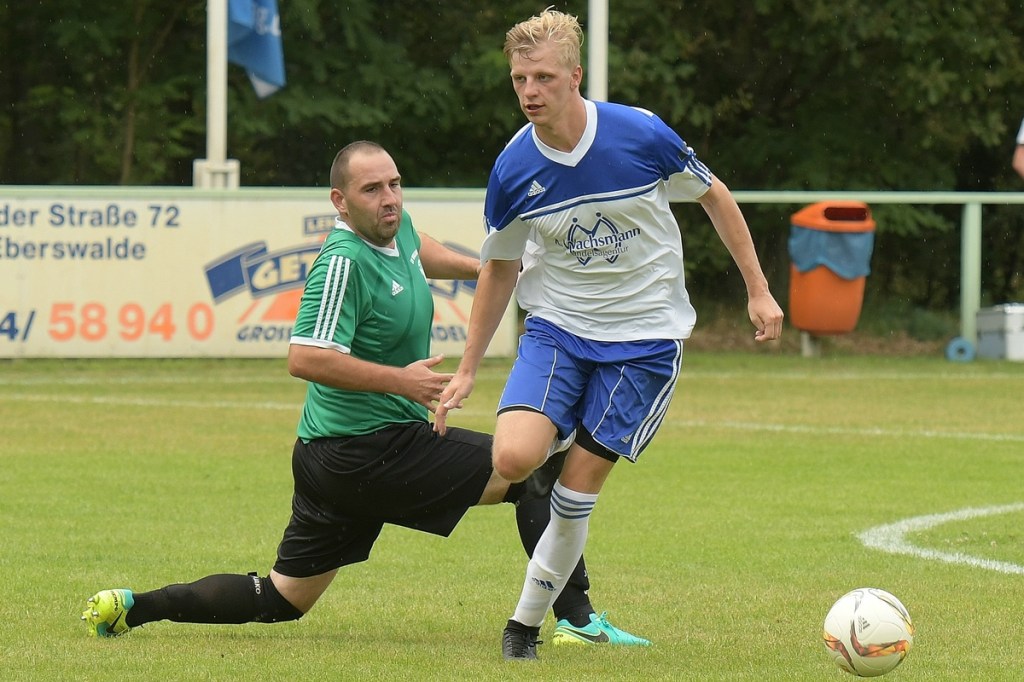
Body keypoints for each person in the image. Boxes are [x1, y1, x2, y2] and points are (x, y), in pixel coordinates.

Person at [81, 141, 647, 648]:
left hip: (334, 456)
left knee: (280, 599)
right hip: (365, 450)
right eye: (372, 189)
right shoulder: (342, 263)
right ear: (340, 201)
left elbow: (417, 248)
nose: (389, 198)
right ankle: (577, 621)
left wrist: (486, 270)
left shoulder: (394, 228)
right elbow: (304, 358)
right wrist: (404, 381)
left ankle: (134, 606)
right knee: (530, 472)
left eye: (394, 184)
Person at [433, 10, 785, 661]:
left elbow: (715, 196)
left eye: (543, 77)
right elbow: (500, 267)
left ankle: (522, 629)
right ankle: (566, 430)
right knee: (513, 459)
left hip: (645, 340)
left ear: (575, 76)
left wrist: (758, 289)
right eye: (519, 79)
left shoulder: (639, 133)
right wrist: (468, 367)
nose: (530, 91)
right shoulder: (513, 168)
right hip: (559, 330)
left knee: (574, 494)